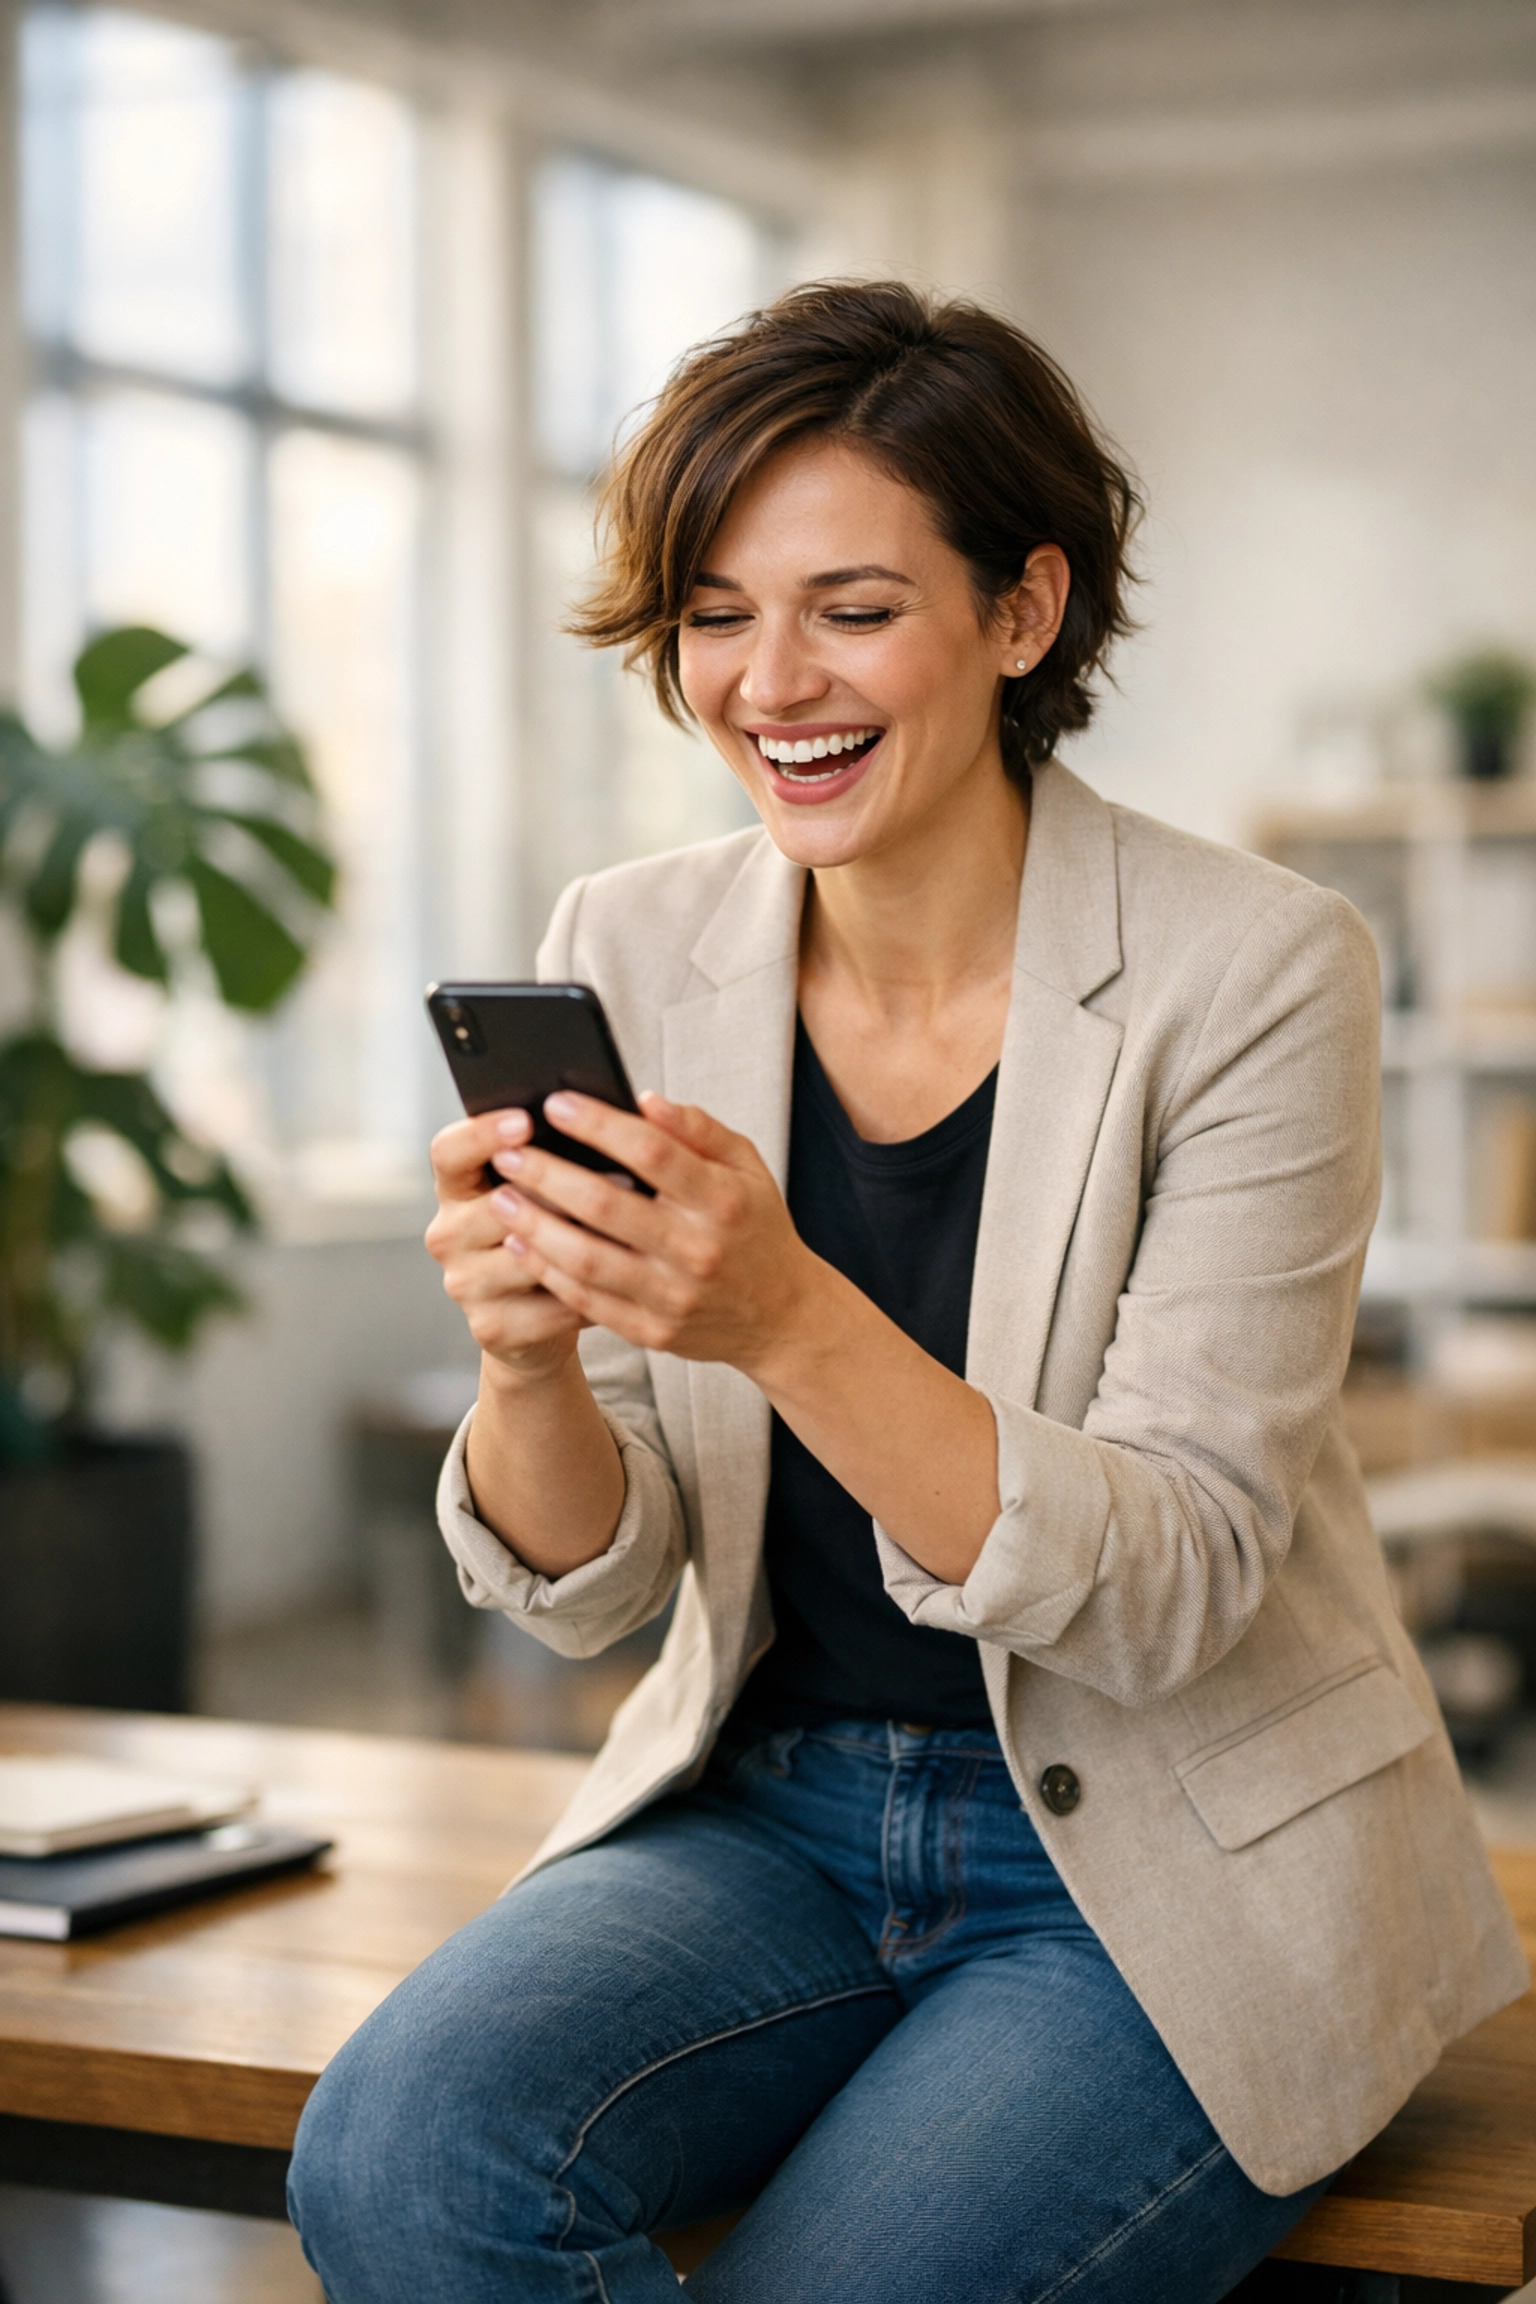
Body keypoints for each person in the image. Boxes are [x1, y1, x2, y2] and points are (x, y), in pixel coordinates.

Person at [288, 281, 1525, 2304]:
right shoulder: (637, 938)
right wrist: (527, 1368)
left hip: (1163, 1853)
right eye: (712, 612)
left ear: (1022, 614)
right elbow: (603, 1585)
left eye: (852, 608)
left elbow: (1178, 1576)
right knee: (404, 2159)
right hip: (768, 1812)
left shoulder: (1258, 971)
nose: (768, 682)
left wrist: (782, 1315)